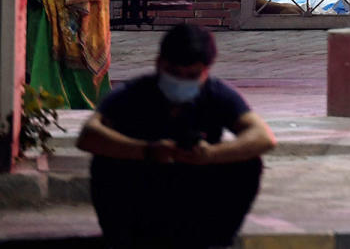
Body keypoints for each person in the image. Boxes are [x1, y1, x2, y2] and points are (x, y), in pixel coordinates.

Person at [76, 24, 276, 248]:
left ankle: (216, 240)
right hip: (140, 194)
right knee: (105, 161)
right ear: (160, 63)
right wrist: (146, 150)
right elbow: (89, 135)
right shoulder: (134, 93)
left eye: (192, 75)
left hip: (193, 195)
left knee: (247, 163)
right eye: (174, 73)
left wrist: (211, 154)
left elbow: (262, 137)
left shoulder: (215, 94)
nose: (182, 81)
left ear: (205, 71)